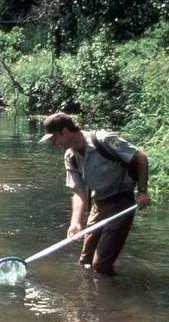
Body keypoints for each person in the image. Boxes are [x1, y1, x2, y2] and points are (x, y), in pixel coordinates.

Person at [39, 112, 151, 275]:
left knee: (100, 265)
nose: (54, 144)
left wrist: (142, 191)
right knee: (85, 262)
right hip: (98, 205)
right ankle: (90, 296)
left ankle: (113, 296)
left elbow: (140, 157)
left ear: (65, 132)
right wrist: (75, 222)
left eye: (54, 138)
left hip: (121, 203)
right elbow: (79, 192)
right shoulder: (70, 156)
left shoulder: (103, 140)